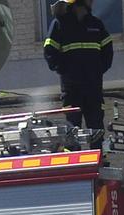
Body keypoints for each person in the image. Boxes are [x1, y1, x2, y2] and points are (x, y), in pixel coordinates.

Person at [41, 0, 113, 137]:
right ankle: (73, 155)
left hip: (93, 88)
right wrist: (64, 70)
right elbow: (49, 51)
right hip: (72, 89)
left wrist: (96, 71)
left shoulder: (96, 24)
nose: (92, 3)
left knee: (96, 128)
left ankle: (98, 156)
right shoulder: (60, 24)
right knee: (73, 128)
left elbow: (108, 53)